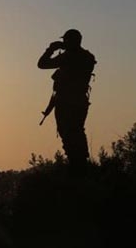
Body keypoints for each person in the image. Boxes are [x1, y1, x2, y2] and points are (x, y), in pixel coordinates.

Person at [38, 29, 96, 175]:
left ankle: (77, 166)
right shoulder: (87, 56)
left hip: (66, 101)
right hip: (80, 102)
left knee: (68, 132)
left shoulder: (69, 57)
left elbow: (42, 64)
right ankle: (81, 163)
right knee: (77, 131)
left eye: (66, 41)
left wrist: (51, 49)